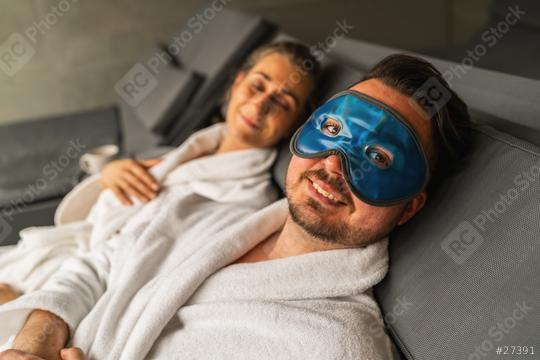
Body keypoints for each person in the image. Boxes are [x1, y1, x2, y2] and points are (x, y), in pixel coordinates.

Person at [0, 54, 473, 360]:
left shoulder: (335, 346)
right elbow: (98, 262)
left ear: (410, 208)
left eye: (379, 158)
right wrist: (36, 339)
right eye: (333, 131)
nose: (333, 164)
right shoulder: (201, 210)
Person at [0, 41, 320, 306]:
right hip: (64, 255)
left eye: (282, 100)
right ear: (237, 82)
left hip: (81, 284)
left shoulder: (247, 200)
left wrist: (29, 296)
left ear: (294, 124)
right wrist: (109, 174)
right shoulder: (195, 148)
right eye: (258, 85)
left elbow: (144, 262)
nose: (262, 104)